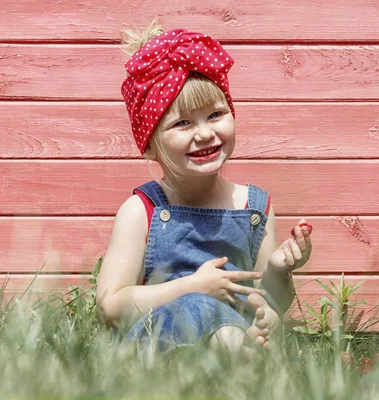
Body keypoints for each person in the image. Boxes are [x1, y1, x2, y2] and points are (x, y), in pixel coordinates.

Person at [95, 21, 313, 354]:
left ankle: (238, 355)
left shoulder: (254, 208)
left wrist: (277, 272)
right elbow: (111, 306)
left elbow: (268, 303)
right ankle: (232, 353)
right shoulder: (142, 210)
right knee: (197, 308)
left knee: (248, 332)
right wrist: (194, 288)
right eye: (182, 123)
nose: (204, 133)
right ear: (150, 145)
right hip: (158, 347)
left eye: (215, 115)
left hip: (236, 331)